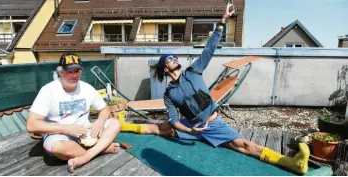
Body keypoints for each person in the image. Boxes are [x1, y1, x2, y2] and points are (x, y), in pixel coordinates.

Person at [117, 2, 310, 175]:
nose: (175, 58)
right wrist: (190, 132)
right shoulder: (169, 94)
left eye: (174, 56)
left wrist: (223, 20)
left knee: (245, 145)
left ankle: (294, 163)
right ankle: (123, 125)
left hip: (213, 124)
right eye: (170, 58)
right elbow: (174, 120)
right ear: (165, 68)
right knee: (158, 129)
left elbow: (209, 48)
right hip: (192, 127)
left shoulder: (194, 71)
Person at [26, 53, 121, 173]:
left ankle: (85, 157)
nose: (74, 75)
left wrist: (100, 122)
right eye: (70, 71)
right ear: (60, 72)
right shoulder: (48, 91)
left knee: (115, 123)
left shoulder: (87, 88)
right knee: (58, 148)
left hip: (85, 130)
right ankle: (101, 149)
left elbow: (104, 109)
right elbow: (31, 125)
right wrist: (66, 129)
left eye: (77, 71)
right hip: (59, 133)